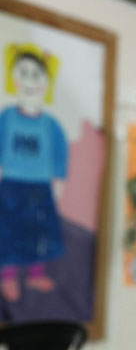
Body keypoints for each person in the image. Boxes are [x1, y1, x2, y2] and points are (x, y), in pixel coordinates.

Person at [0, 44, 67, 303]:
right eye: (23, 73)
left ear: (44, 83)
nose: (29, 81)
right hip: (11, 186)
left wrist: (58, 185)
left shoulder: (51, 125)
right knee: (8, 231)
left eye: (35, 75)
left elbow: (60, 157)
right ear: (15, 79)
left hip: (40, 188)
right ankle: (8, 276)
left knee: (38, 232)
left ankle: (35, 273)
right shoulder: (6, 118)